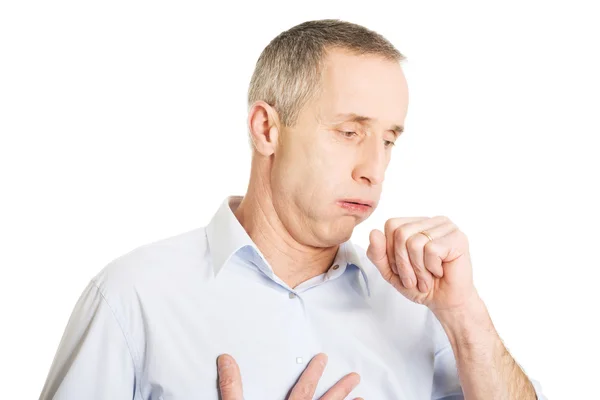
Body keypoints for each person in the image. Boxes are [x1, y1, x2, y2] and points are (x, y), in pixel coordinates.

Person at [39, 19, 547, 399]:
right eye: (349, 132)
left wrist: (465, 317)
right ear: (266, 129)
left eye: (389, 139)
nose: (374, 168)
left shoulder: (420, 312)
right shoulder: (134, 298)